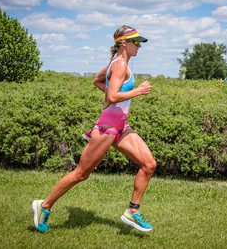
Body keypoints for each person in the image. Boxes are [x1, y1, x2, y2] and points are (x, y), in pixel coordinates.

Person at [32, 25, 156, 233]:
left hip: (120, 127)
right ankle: (43, 206)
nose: (139, 46)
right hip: (106, 129)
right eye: (136, 42)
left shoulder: (118, 63)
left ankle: (133, 212)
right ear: (123, 43)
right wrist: (138, 91)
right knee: (81, 174)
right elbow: (112, 97)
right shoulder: (119, 65)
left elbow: (98, 81)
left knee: (149, 164)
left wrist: (117, 94)